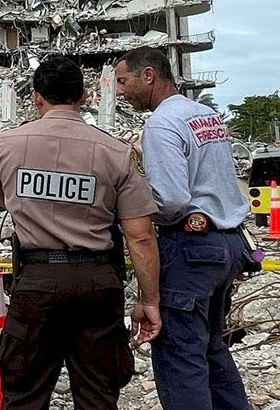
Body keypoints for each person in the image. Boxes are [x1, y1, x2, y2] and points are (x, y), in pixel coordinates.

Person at [0, 55, 161, 410]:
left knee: (23, 392)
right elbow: (140, 235)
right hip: (96, 283)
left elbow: (7, 201)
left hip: (36, 281)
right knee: (98, 393)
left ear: (36, 97)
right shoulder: (116, 152)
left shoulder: (5, 145)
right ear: (84, 96)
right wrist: (149, 300)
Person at [114, 48, 251, 410]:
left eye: (123, 81)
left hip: (190, 250)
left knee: (179, 356)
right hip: (228, 243)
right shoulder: (206, 115)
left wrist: (133, 212)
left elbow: (172, 200)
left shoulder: (161, 123)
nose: (121, 91)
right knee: (210, 347)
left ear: (149, 75)